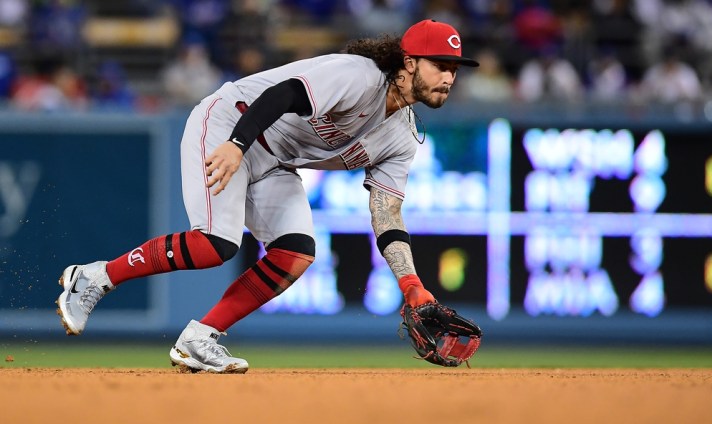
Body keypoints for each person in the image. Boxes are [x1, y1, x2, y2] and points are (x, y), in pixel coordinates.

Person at [56, 19, 479, 374]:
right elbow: (284, 94)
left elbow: (386, 214)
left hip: (277, 162)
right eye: (440, 65)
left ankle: (199, 339)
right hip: (230, 123)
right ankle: (94, 277)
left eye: (454, 69)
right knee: (216, 244)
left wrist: (412, 285)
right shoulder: (359, 75)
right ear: (408, 62)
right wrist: (237, 145)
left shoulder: (403, 137)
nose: (449, 77)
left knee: (294, 254)